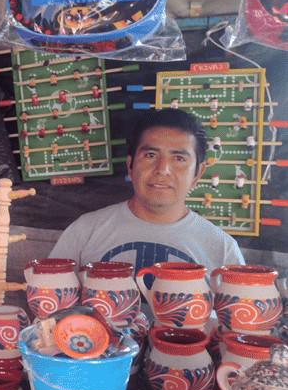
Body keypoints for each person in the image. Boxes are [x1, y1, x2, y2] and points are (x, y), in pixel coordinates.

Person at [48, 108, 246, 275]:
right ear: (130, 166)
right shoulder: (84, 231)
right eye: (151, 155)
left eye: (179, 158)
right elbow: (49, 308)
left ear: (197, 174)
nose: (163, 169)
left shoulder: (223, 250)